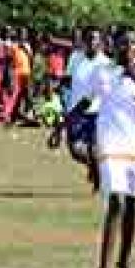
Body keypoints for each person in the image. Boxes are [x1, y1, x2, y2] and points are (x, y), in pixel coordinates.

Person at [62, 28, 135, 268]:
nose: (128, 49)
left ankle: (124, 260)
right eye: (123, 44)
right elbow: (85, 102)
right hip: (110, 145)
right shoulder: (104, 72)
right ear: (115, 47)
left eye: (132, 44)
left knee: (133, 203)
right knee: (116, 201)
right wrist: (62, 126)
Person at [48, 27, 110, 192]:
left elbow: (100, 92)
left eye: (95, 39)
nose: (91, 42)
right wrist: (57, 85)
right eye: (88, 39)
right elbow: (69, 79)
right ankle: (95, 167)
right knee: (75, 150)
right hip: (75, 109)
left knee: (94, 147)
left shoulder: (104, 63)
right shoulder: (76, 57)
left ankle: (99, 183)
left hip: (97, 111)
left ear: (100, 42)